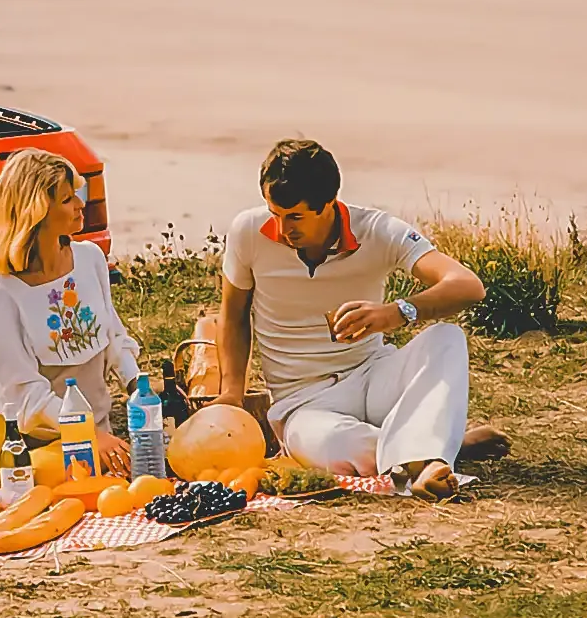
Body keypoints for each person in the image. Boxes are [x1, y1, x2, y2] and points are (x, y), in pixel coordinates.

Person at [215, 139, 508, 501]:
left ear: (328, 203)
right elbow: (233, 315)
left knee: (446, 338)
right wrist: (231, 393)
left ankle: (424, 449)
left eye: (295, 217)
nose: (282, 228)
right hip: (303, 404)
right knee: (336, 447)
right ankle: (433, 452)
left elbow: (468, 285)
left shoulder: (378, 230)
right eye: (274, 213)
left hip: (373, 376)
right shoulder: (247, 231)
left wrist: (397, 312)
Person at [0, 148, 139, 483]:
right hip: (30, 448)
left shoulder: (90, 259)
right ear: (37, 213)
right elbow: (24, 396)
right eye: (67, 199)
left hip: (97, 437)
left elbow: (114, 337)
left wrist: (138, 386)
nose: (80, 205)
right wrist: (87, 433)